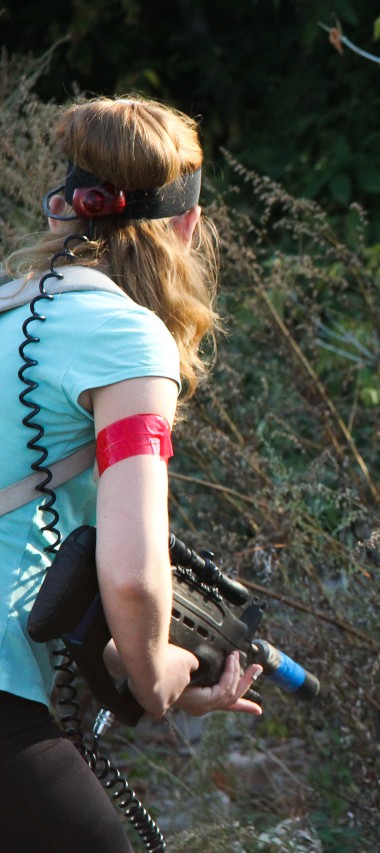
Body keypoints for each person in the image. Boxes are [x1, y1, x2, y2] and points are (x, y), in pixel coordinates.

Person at [0, 97, 262, 851]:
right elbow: (132, 577)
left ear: (63, 208)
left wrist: (161, 668)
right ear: (187, 225)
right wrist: (153, 678)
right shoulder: (128, 337)